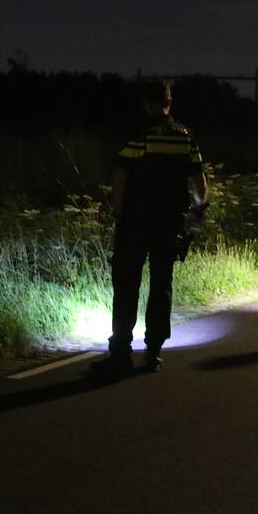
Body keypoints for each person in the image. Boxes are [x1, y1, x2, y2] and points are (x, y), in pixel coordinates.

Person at [91, 81, 209, 375]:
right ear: (170, 101)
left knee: (127, 284)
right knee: (161, 284)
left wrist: (117, 212)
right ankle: (153, 352)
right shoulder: (186, 137)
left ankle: (120, 353)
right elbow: (200, 184)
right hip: (170, 222)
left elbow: (120, 176)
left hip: (136, 220)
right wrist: (196, 213)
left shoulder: (140, 135)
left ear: (147, 104)